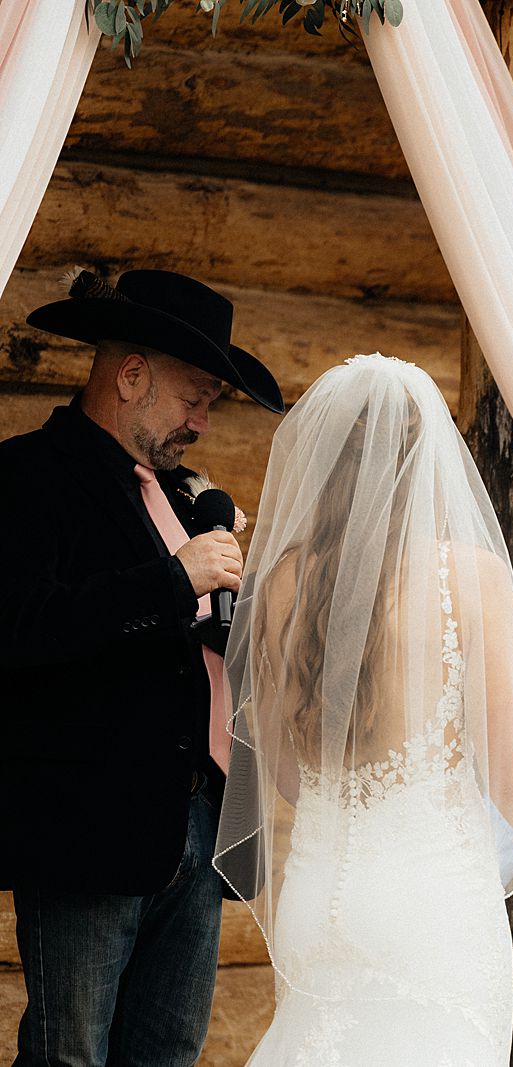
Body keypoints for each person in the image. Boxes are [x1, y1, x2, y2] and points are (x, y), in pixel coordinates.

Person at [212, 354, 513, 1062]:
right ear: (426, 458)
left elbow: (280, 766)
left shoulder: (281, 582)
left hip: (314, 897)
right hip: (426, 902)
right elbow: (510, 766)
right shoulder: (469, 576)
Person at [0, 269, 283, 1066]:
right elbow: (19, 630)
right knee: (69, 1056)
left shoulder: (181, 499)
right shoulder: (28, 476)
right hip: (87, 824)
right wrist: (174, 580)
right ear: (130, 376)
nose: (200, 421)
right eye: (194, 397)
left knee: (165, 1054)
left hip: (195, 823)